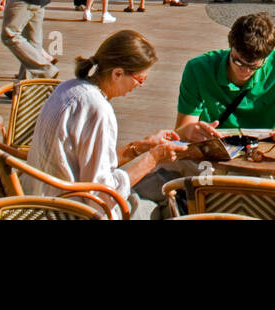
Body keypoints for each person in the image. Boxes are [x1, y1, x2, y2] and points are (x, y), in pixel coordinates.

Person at [26, 29, 186, 219]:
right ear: (117, 74)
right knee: (162, 203)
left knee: (157, 188)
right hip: (68, 211)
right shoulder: (97, 109)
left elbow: (88, 163)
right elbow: (101, 195)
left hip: (41, 197)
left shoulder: (69, 87)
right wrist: (153, 158)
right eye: (140, 79)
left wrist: (140, 147)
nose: (139, 86)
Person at [174, 13, 275, 140]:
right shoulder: (199, 68)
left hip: (261, 153)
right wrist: (191, 131)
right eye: (238, 62)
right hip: (213, 151)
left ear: (267, 57)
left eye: (253, 67)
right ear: (230, 48)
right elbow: (181, 129)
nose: (245, 71)